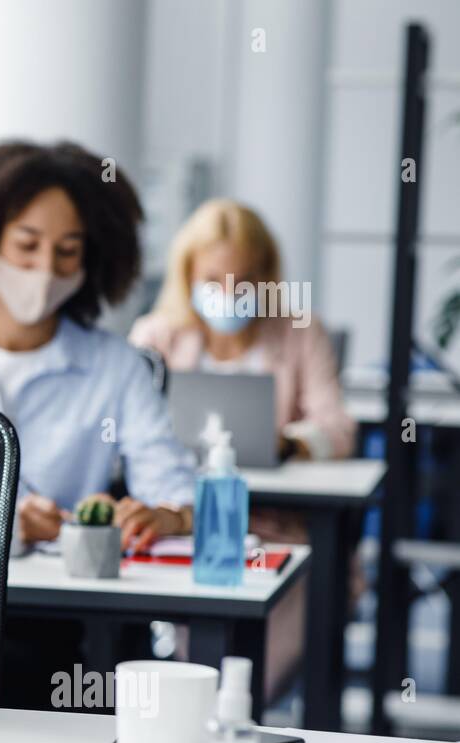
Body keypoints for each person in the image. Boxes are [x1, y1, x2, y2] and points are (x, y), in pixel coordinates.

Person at [0, 140, 196, 710]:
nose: (45, 270)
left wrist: (163, 514)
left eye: (68, 252)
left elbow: (177, 491)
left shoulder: (118, 366)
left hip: (64, 621)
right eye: (27, 245)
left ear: (93, 259)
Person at [130, 198, 356, 701]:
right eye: (214, 279)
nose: (229, 294)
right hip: (180, 522)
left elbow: (339, 427)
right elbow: (124, 431)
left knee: (258, 666)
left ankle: (242, 712)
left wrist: (290, 442)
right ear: (187, 274)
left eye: (244, 280)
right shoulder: (156, 335)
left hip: (279, 528)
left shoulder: (299, 330)